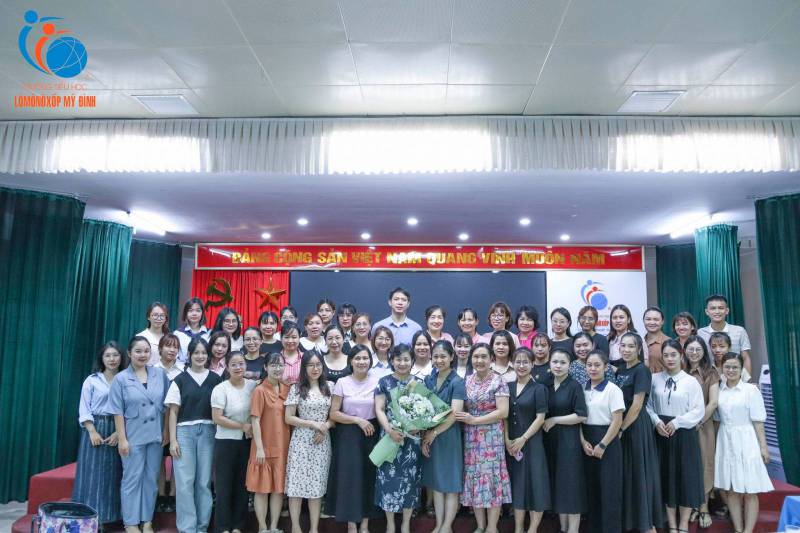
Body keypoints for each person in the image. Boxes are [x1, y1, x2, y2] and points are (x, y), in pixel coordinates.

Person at [108, 336, 170, 533]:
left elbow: (168, 406)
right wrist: (122, 439)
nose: (143, 355)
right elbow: (117, 411)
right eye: (138, 351)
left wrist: (166, 431)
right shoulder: (121, 379)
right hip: (132, 437)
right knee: (132, 478)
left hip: (155, 436)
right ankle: (131, 522)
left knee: (151, 479)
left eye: (146, 351)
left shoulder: (160, 375)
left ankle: (147, 520)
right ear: (129, 353)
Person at [647, 340, 705, 533]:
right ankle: (671, 524)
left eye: (673, 355)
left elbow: (698, 410)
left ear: (681, 355)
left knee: (685, 478)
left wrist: (677, 422)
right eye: (666, 355)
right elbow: (648, 406)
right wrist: (656, 421)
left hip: (684, 434)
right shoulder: (654, 379)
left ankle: (683, 524)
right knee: (666, 478)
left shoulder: (690, 381)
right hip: (661, 434)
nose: (670, 359)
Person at [166, 337, 221, 533]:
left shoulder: (215, 379)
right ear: (189, 355)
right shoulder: (179, 380)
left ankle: (202, 526)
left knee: (204, 482)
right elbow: (173, 412)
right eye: (196, 352)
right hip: (184, 433)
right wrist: (173, 440)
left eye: (203, 353)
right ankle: (187, 528)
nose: (200, 356)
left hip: (208, 432)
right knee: (184, 482)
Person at [456, 343, 511, 533]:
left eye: (483, 357)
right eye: (476, 357)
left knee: (491, 479)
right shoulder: (467, 380)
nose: (479, 360)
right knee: (475, 478)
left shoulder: (498, 380)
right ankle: (480, 526)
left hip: (491, 436)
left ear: (491, 359)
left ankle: (492, 527)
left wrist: (475, 420)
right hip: (471, 437)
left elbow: (503, 412)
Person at [714, 353, 773, 533]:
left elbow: (758, 421)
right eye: (727, 367)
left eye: (735, 367)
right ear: (722, 368)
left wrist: (763, 447)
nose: (731, 370)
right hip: (725, 440)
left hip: (747, 440)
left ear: (742, 369)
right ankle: (738, 529)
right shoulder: (718, 390)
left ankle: (748, 531)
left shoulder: (750, 390)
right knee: (731, 490)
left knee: (749, 490)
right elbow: (716, 419)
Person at [328, 345, 382, 532]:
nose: (361, 362)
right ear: (350, 361)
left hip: (371, 433)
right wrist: (357, 420)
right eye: (357, 358)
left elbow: (381, 409)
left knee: (369, 476)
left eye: (365, 358)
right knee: (349, 478)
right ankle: (351, 524)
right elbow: (334, 413)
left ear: (370, 361)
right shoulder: (342, 382)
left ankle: (365, 524)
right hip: (348, 435)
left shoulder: (377, 382)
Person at [73, 342, 128, 526]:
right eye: (108, 355)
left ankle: (112, 517)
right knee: (91, 475)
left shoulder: (127, 379)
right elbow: (84, 408)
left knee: (114, 475)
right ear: (102, 359)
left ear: (121, 357)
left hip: (118, 429)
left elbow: (131, 408)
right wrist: (92, 431)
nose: (112, 359)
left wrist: (119, 433)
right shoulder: (92, 380)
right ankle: (88, 519)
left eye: (116, 355)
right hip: (94, 429)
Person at [615, 332, 662, 533]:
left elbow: (636, 406)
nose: (626, 350)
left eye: (631, 346)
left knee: (639, 473)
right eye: (623, 346)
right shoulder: (620, 369)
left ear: (639, 349)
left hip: (635, 426)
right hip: (621, 425)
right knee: (627, 474)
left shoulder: (642, 370)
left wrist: (621, 428)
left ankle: (647, 524)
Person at [374, 344, 423, 533]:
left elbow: (426, 410)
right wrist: (389, 430)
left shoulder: (419, 383)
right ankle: (390, 524)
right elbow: (379, 409)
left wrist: (418, 426)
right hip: (390, 438)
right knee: (388, 480)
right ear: (392, 361)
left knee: (410, 481)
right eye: (398, 359)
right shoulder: (384, 382)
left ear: (412, 361)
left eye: (406, 359)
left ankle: (405, 524)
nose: (402, 363)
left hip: (412, 440)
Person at [285, 351, 334, 533]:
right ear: (304, 368)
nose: (315, 369)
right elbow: (289, 418)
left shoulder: (330, 387)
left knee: (317, 486)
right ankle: (296, 527)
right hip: (301, 440)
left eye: (318, 364)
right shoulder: (296, 388)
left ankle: (314, 529)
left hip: (322, 441)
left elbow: (335, 416)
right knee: (296, 485)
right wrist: (313, 424)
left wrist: (324, 427)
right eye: (311, 365)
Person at [421, 340, 465, 533]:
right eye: (436, 356)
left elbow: (455, 414)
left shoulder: (457, 382)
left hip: (448, 436)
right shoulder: (429, 379)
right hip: (431, 436)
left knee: (451, 483)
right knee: (437, 483)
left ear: (451, 357)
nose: (439, 360)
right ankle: (439, 524)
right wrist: (426, 435)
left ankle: (447, 526)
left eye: (443, 356)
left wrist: (434, 433)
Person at [504, 347, 550, 533]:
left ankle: (532, 529)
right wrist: (507, 439)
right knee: (518, 486)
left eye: (525, 362)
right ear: (512, 364)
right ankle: (518, 528)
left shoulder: (539, 389)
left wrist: (523, 439)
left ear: (532, 364)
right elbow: (504, 416)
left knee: (535, 485)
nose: (521, 366)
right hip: (512, 445)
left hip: (532, 443)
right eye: (518, 362)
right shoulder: (507, 387)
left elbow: (540, 418)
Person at [211, 351, 257, 533]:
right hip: (225, 443)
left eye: (241, 364)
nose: (238, 368)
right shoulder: (220, 389)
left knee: (242, 486)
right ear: (227, 367)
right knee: (224, 487)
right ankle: (222, 527)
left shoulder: (252, 386)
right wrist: (242, 426)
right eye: (234, 365)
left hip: (246, 443)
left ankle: (238, 526)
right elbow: (217, 418)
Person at [580, 350, 624, 533]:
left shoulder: (613, 390)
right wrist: (583, 441)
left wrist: (603, 444)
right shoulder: (582, 388)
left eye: (597, 365)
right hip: (587, 441)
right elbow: (579, 418)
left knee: (609, 491)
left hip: (608, 441)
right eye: (589, 365)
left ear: (606, 367)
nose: (593, 368)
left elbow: (617, 421)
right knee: (592, 491)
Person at [543, 349, 587, 533]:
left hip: (569, 442)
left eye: (563, 362)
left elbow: (581, 415)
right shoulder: (545, 384)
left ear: (570, 365)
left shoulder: (574, 385)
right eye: (555, 362)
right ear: (549, 364)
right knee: (558, 485)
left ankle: (573, 530)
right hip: (550, 441)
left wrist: (555, 420)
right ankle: (563, 528)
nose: (558, 366)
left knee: (571, 485)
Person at [246, 354, 290, 533]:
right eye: (273, 365)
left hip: (283, 446)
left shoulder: (287, 389)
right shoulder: (259, 390)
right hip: (263, 446)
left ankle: (274, 527)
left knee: (278, 488)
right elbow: (255, 420)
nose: (277, 368)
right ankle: (263, 528)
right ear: (265, 367)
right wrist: (259, 448)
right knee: (262, 488)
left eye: (280, 365)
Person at [684, 335, 720, 529]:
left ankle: (704, 507)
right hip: (682, 426)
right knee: (687, 466)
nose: (694, 353)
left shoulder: (710, 372)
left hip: (702, 425)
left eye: (698, 349)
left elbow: (713, 403)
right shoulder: (679, 369)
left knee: (705, 464)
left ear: (704, 352)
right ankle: (691, 505)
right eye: (690, 349)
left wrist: (697, 421)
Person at [153, 334, 184, 512]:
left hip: (177, 419)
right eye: (168, 346)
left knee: (176, 458)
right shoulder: (152, 370)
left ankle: (172, 495)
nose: (172, 350)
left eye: (175, 347)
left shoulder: (182, 371)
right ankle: (160, 495)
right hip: (157, 421)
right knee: (159, 458)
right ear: (160, 349)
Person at [698, 294, 753, 376]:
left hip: (735, 378)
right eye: (713, 308)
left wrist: (745, 381)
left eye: (721, 308)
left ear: (727, 311)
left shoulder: (739, 331)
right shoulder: (700, 333)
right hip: (709, 378)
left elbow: (745, 358)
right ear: (707, 312)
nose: (717, 311)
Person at [174, 298, 209, 363]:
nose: (194, 314)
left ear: (202, 313)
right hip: (183, 367)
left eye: (198, 310)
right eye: (190, 310)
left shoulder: (209, 333)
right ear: (186, 313)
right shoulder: (178, 334)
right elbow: (175, 356)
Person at [643, 307, 669, 373]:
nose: (652, 322)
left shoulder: (668, 342)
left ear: (662, 322)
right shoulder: (640, 341)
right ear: (643, 321)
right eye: (648, 319)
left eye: (656, 319)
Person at [280, 321, 303, 385]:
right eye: (286, 337)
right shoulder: (275, 359)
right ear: (281, 338)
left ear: (299, 337)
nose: (290, 341)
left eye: (294, 337)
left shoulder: (306, 358)